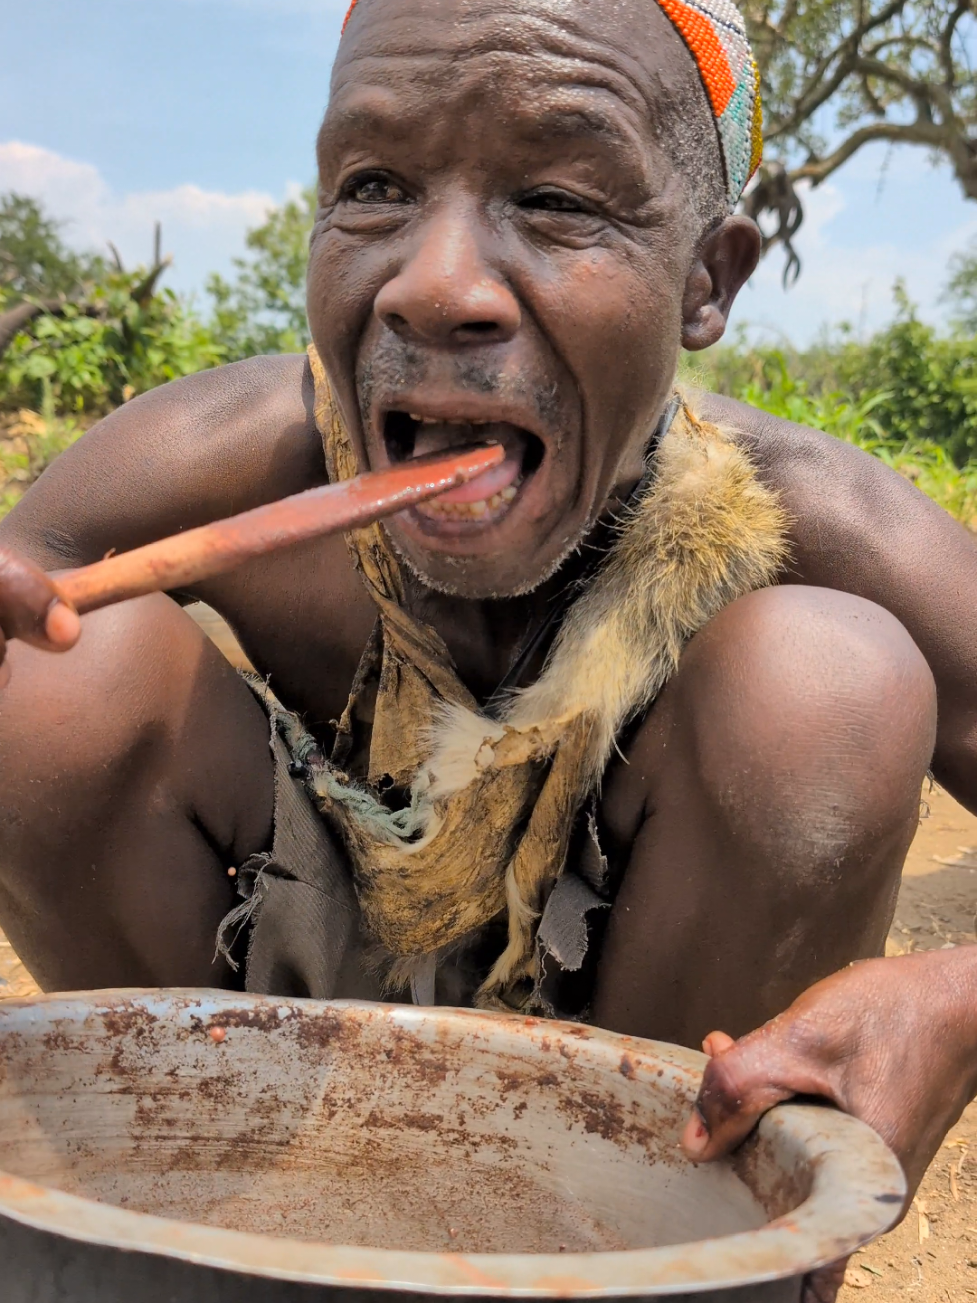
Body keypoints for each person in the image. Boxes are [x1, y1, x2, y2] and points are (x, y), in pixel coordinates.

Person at [0, 0, 974, 1294]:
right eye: (374, 185)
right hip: (279, 1056)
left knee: (829, 690)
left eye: (562, 197)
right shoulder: (214, 471)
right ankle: (218, 1232)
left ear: (708, 280)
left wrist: (961, 999)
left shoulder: (826, 521)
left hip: (653, 1080)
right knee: (46, 665)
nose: (436, 283)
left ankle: (670, 1264)